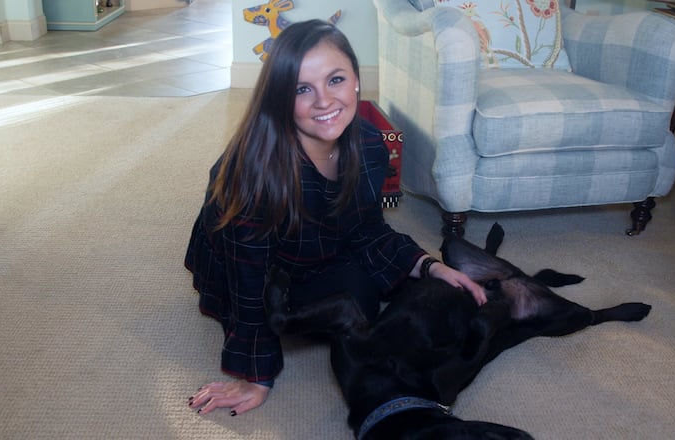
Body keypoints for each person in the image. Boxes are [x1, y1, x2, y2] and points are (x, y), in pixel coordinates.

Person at [185, 19, 486, 417]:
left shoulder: (370, 144)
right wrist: (256, 376)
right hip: (251, 266)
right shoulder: (252, 176)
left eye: (336, 80)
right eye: (302, 89)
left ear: (357, 80)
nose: (324, 102)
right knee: (340, 308)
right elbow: (248, 279)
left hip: (315, 244)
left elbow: (367, 229)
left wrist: (428, 266)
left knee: (363, 303)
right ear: (279, 97)